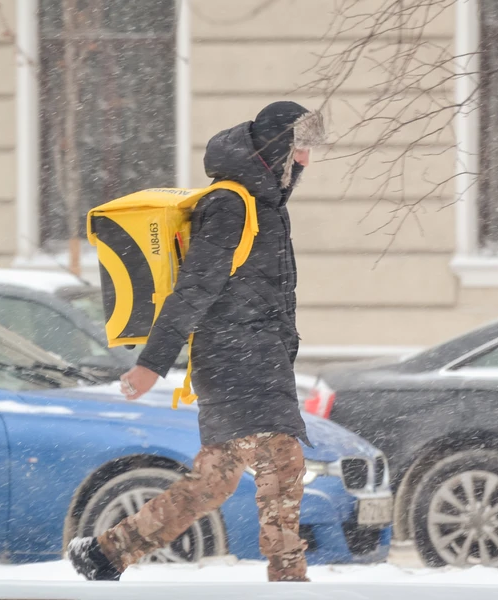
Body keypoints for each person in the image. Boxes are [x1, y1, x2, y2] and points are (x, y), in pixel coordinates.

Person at [68, 101, 326, 582]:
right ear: (278, 150)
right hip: (235, 362)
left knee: (223, 479)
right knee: (274, 467)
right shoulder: (231, 205)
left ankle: (108, 554)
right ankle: (288, 575)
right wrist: (152, 363)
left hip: (259, 361)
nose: (307, 161)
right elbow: (195, 289)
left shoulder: (265, 206)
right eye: (301, 148)